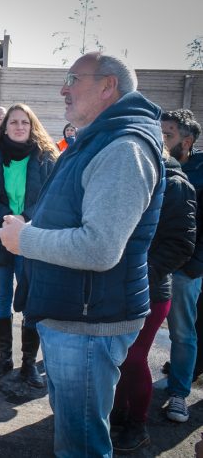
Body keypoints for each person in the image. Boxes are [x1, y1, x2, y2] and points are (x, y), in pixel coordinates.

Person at [0, 53, 164, 457]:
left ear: (108, 86)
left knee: (82, 445)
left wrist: (26, 240)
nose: (63, 88)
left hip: (89, 324)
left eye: (74, 78)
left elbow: (100, 248)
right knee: (75, 432)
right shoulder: (97, 139)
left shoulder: (124, 148)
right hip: (76, 316)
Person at [111, 147, 196, 453]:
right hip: (118, 287)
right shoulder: (134, 178)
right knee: (119, 356)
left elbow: (182, 244)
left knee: (134, 357)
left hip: (152, 290)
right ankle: (118, 413)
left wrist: (143, 272)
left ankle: (138, 424)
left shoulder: (176, 185)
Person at [0, 103, 57, 387]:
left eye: (25, 122)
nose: (19, 127)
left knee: (32, 303)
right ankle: (4, 358)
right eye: (14, 122)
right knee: (1, 301)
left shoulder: (46, 158)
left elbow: (52, 198)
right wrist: (5, 216)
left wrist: (24, 217)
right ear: (4, 127)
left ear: (32, 126)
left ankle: (29, 364)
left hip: (32, 242)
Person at [160, 108, 203, 423]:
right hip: (150, 265)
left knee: (182, 333)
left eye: (168, 135)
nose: (161, 139)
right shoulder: (155, 164)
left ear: (186, 141)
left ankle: (178, 394)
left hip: (184, 270)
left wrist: (192, 268)